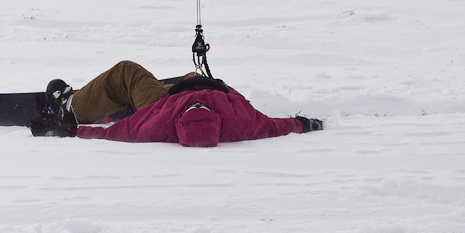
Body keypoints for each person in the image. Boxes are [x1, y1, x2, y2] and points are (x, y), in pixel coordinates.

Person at [30, 61, 323, 147]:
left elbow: (115, 133)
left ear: (179, 123)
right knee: (189, 76)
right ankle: (127, 99)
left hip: (166, 102)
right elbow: (275, 126)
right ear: (218, 121)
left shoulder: (158, 125)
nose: (198, 107)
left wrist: (71, 130)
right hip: (193, 83)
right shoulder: (242, 124)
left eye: (192, 113)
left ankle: (72, 107)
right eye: (202, 111)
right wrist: (304, 124)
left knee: (127, 73)